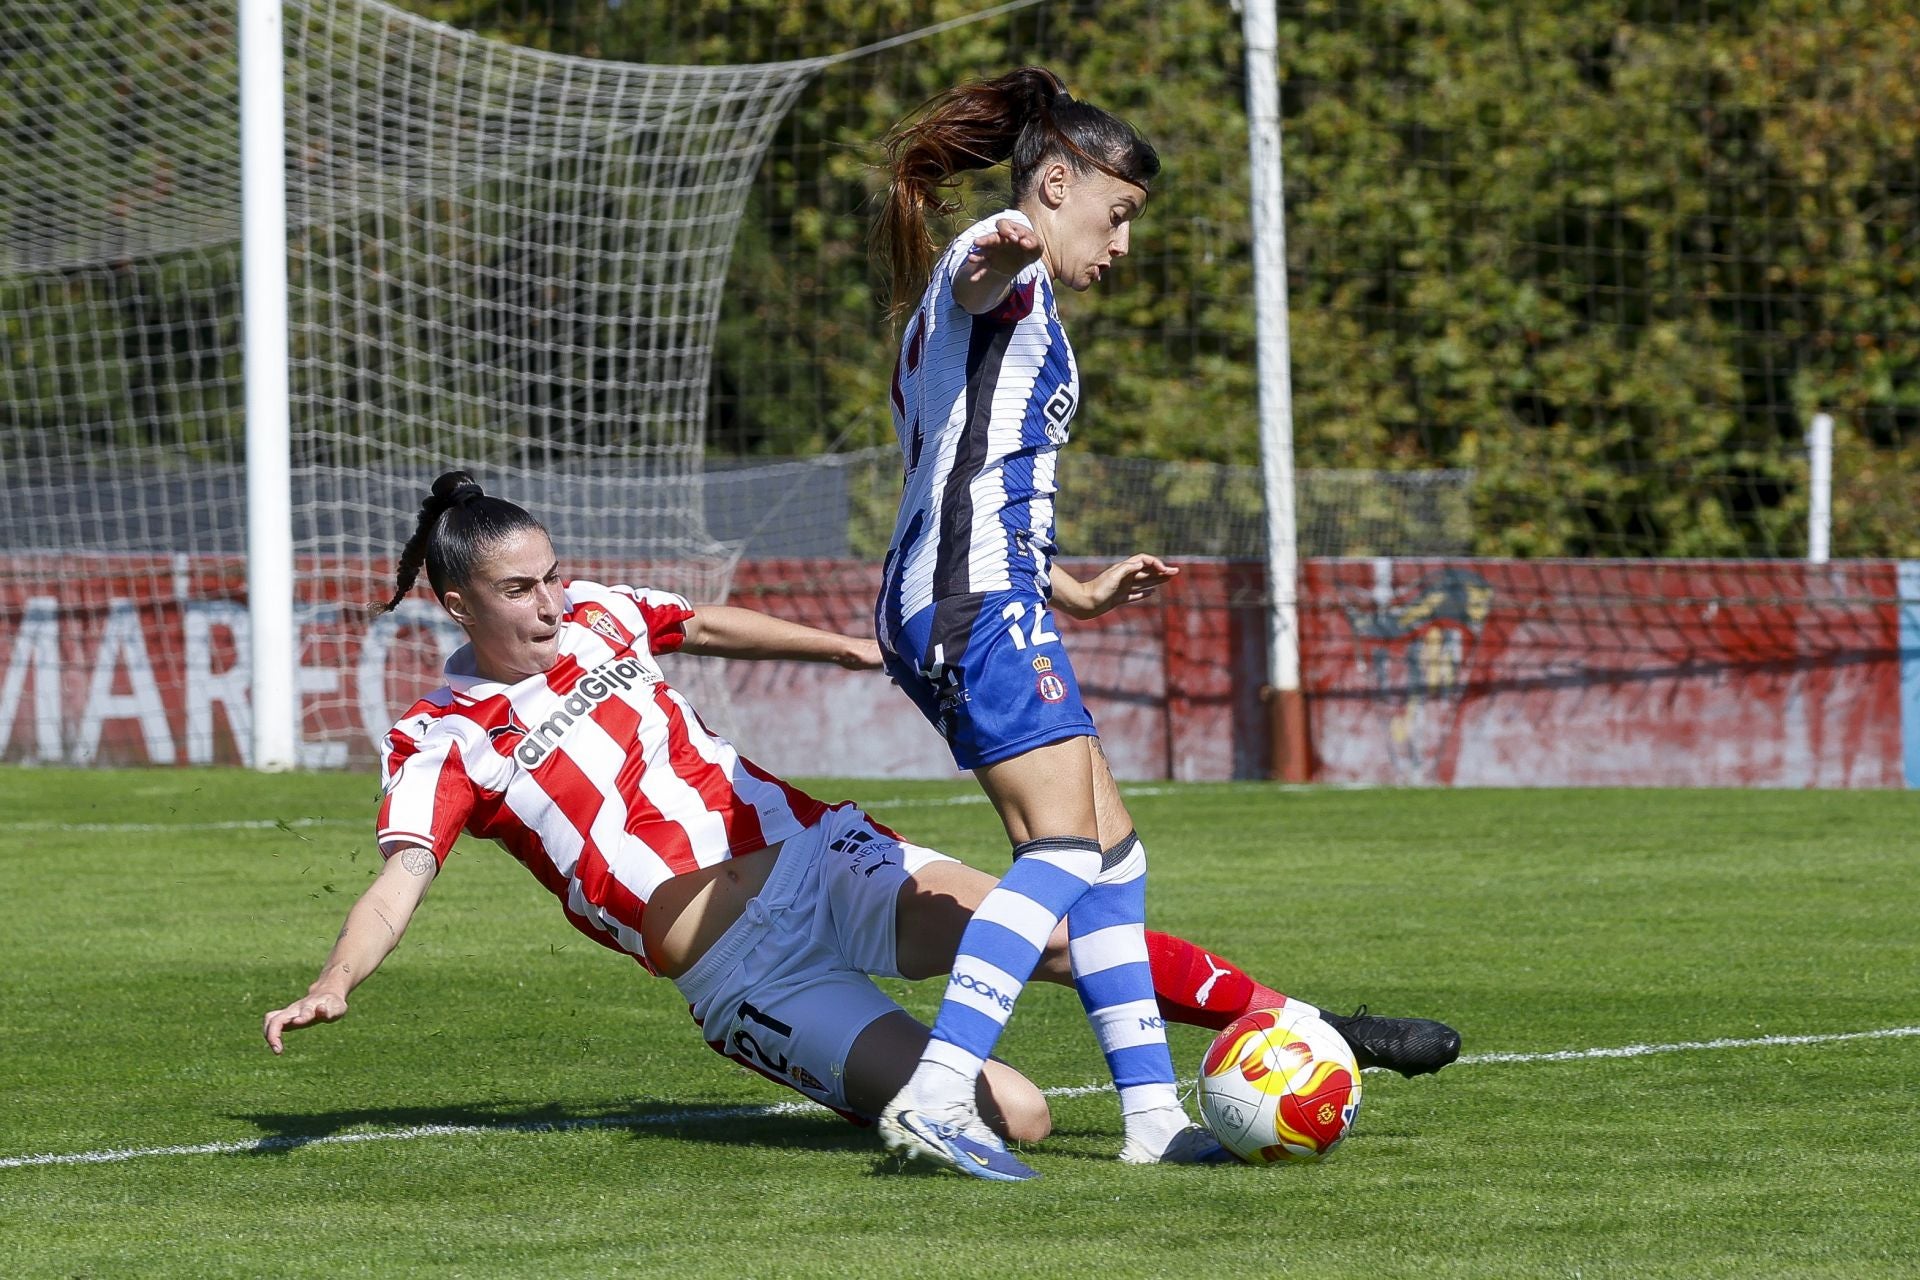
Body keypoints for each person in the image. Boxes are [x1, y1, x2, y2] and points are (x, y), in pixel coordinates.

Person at [263, 473, 1457, 1172]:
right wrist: (336, 977)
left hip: (823, 860)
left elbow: (714, 623)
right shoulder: (440, 735)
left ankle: (1298, 1021)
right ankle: (962, 1086)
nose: (552, 601)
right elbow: (398, 874)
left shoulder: (605, 616)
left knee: (1053, 928)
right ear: (454, 595)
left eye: (554, 575)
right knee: (1021, 1116)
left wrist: (850, 644)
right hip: (743, 973)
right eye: (521, 589)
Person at [870, 66, 1458, 1179]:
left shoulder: (998, 302)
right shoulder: (996, 273)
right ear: (1054, 183)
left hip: (985, 593)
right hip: (968, 603)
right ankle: (941, 1091)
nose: (1123, 243)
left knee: (1115, 860)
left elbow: (980, 472)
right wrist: (1004, 238)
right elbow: (981, 267)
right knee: (1059, 850)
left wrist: (1075, 590)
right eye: (1118, 215)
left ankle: (1148, 1116)